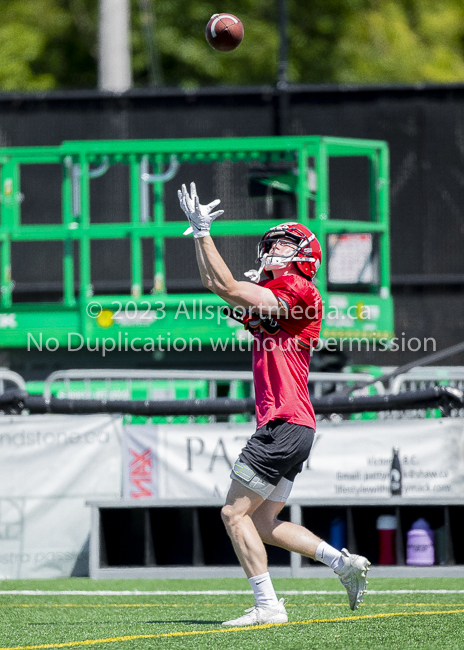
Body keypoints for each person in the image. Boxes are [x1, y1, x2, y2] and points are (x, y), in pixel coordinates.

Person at [178, 182, 371, 627]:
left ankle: (269, 606)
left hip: (284, 421)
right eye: (272, 244)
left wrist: (205, 232)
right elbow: (217, 286)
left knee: (233, 512)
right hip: (293, 424)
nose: (273, 250)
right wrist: (197, 235)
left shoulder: (299, 289)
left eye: (284, 244)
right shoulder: (279, 290)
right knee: (262, 521)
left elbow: (227, 284)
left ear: (304, 254)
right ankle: (343, 564)